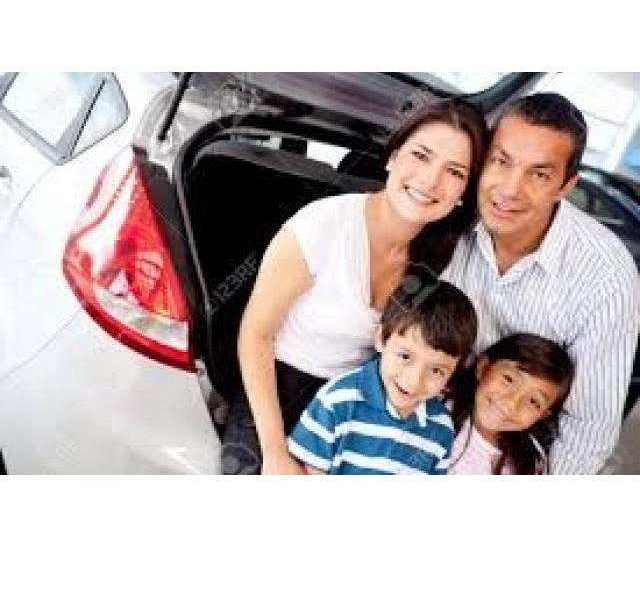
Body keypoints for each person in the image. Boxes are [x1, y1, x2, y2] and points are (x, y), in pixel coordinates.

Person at [223, 99, 488, 474]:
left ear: (464, 191)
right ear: (393, 156)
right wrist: (274, 451)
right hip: (278, 391)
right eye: (421, 155)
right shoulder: (321, 226)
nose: (431, 180)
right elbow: (255, 334)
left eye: (454, 172)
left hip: (365, 405)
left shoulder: (447, 261)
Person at [442, 92, 640, 474]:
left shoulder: (606, 277)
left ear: (566, 186)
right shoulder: (446, 211)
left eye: (539, 174)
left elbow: (587, 430)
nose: (509, 189)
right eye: (502, 161)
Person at [287, 277, 478, 475]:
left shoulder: (441, 429)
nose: (414, 381)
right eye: (405, 357)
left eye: (436, 370)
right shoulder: (336, 403)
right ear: (381, 338)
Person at [447, 333, 574, 475]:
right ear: (483, 368)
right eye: (508, 379)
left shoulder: (529, 465)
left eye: (533, 401)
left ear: (542, 415)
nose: (511, 403)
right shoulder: (436, 409)